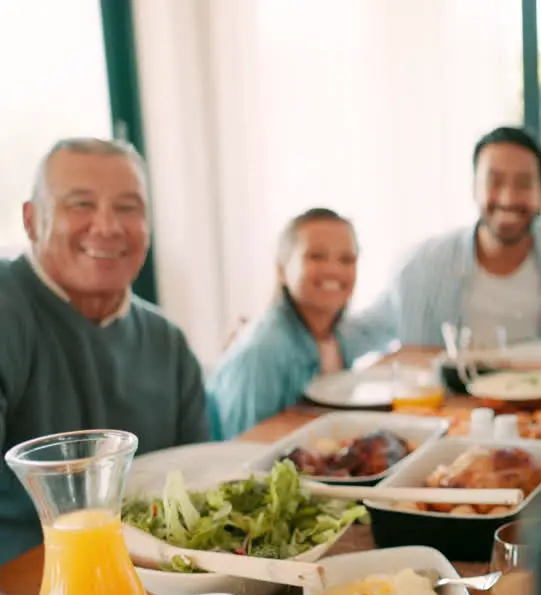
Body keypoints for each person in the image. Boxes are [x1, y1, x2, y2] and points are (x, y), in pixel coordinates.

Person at [0, 138, 209, 563]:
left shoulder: (167, 342)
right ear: (31, 219)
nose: (108, 226)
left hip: (153, 576)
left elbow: (200, 485)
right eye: (80, 204)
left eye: (128, 207)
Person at [357, 126, 541, 347]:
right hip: (449, 410)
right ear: (474, 187)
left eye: (524, 184)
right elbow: (366, 331)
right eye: (494, 181)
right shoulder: (420, 265)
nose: (508, 198)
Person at [207, 208, 388, 438]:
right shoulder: (262, 352)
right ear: (281, 269)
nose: (333, 269)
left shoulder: (338, 335)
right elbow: (244, 451)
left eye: (346, 259)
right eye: (316, 256)